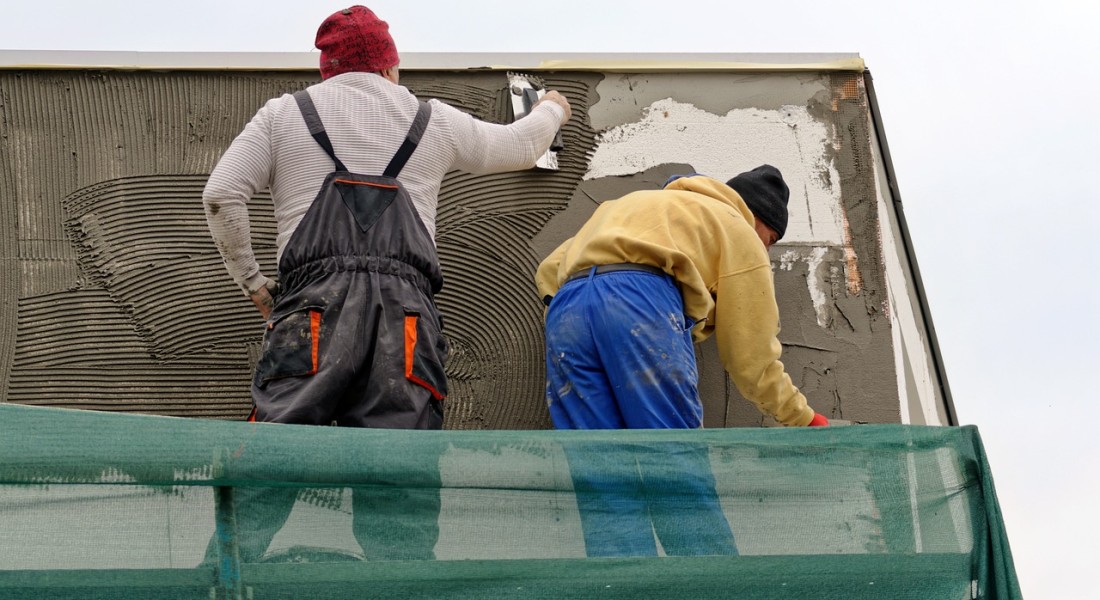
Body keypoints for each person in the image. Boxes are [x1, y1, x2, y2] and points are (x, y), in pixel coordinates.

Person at [202, 5, 571, 562]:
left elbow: (221, 195)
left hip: (312, 312)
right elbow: (517, 147)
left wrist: (256, 285)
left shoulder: (283, 116)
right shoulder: (434, 120)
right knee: (399, 473)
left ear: (327, 69)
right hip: (405, 321)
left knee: (271, 460)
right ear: (390, 66)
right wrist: (552, 110)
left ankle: (222, 580)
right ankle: (399, 585)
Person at [535, 165, 827, 556]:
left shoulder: (637, 203)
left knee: (602, 480)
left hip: (566, 313)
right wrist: (803, 418)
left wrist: (588, 315)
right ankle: (708, 586)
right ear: (755, 218)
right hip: (639, 303)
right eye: (769, 239)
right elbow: (751, 357)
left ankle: (623, 588)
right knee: (673, 465)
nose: (766, 250)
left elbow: (550, 268)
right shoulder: (735, 228)